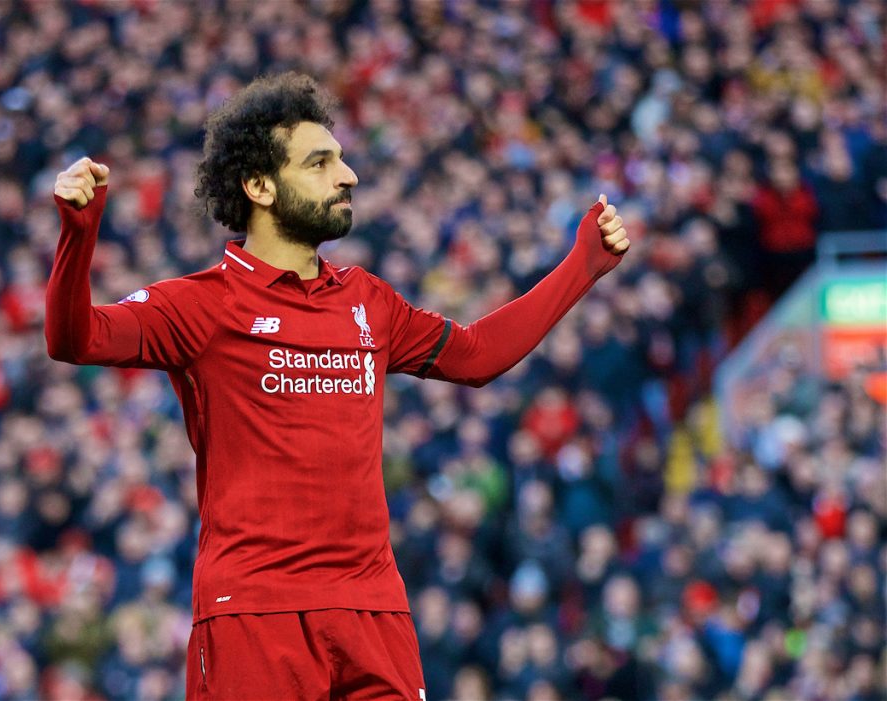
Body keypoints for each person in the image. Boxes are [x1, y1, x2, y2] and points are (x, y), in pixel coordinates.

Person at [45, 72, 629, 700]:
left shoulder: (367, 301)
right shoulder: (201, 305)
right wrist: (78, 238)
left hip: (373, 611)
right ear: (259, 186)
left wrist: (583, 264)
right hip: (254, 613)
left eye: (341, 159)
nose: (347, 175)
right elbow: (75, 339)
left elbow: (478, 355)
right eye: (320, 163)